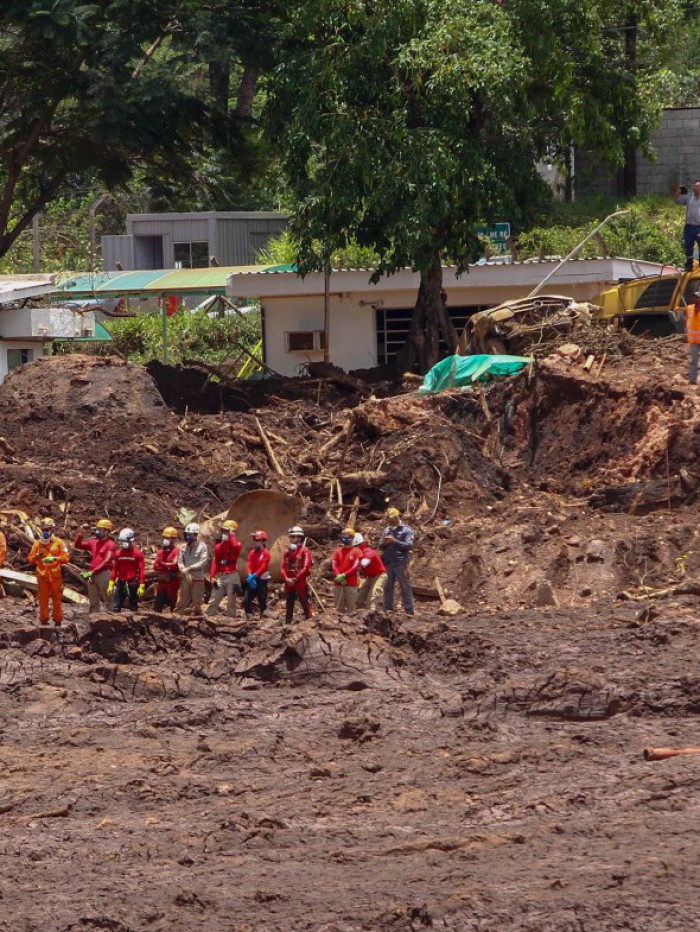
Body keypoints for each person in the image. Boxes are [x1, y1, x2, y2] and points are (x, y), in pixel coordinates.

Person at [28, 517, 70, 625]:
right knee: (43, 600)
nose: (45, 532)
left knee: (57, 599)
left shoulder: (59, 542)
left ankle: (58, 620)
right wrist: (37, 556)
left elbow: (66, 558)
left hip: (56, 576)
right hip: (42, 576)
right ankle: (44, 620)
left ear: (52, 529)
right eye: (43, 530)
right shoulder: (37, 544)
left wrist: (56, 558)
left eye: (48, 529)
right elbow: (30, 559)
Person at [74, 518, 116, 613]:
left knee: (108, 599)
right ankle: (94, 620)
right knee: (93, 600)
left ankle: (112, 619)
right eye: (97, 529)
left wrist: (92, 572)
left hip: (104, 574)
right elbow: (78, 546)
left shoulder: (111, 544)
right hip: (92, 574)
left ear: (107, 531)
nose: (98, 531)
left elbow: (107, 561)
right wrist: (80, 535)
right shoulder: (93, 542)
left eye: (101, 529)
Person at [379, 507, 415, 616]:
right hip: (388, 562)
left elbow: (409, 546)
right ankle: (388, 609)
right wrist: (385, 543)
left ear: (397, 517)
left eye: (391, 519)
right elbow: (380, 545)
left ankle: (409, 610)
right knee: (388, 587)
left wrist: (394, 541)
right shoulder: (387, 530)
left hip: (400, 562)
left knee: (405, 586)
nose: (390, 522)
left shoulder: (407, 530)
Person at [205, 519, 243, 618]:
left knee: (231, 599)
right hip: (220, 577)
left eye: (227, 531)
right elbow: (215, 562)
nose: (224, 533)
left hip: (232, 576)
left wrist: (231, 536)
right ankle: (208, 616)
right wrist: (212, 577)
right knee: (214, 598)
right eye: (223, 531)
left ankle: (231, 619)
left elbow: (235, 546)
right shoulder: (219, 547)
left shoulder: (237, 544)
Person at [108, 528, 145, 612]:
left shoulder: (138, 554)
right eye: (121, 541)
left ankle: (135, 624)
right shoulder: (118, 553)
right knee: (116, 606)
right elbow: (115, 569)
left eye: (125, 541)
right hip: (121, 582)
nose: (122, 543)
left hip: (133, 583)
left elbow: (142, 570)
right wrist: (111, 583)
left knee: (133, 606)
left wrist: (142, 585)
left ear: (131, 541)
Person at [281, 525, 313, 623]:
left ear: (299, 538)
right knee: (289, 604)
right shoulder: (287, 552)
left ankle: (310, 622)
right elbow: (282, 567)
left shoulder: (305, 551)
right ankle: (288, 624)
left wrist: (295, 578)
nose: (291, 539)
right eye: (291, 537)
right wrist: (286, 578)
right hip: (289, 583)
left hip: (300, 582)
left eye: (293, 536)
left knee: (304, 602)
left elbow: (305, 567)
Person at [177, 522, 209, 615]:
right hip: (185, 578)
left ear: (195, 535)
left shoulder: (202, 546)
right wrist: (183, 569)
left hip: (197, 578)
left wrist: (190, 568)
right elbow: (180, 560)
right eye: (187, 534)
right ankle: (176, 619)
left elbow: (203, 562)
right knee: (181, 602)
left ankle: (199, 622)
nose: (187, 536)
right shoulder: (183, 547)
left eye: (189, 534)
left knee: (197, 602)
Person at [331, 527, 362, 615]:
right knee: (338, 609)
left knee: (351, 609)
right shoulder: (337, 551)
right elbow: (334, 564)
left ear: (352, 538)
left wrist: (344, 575)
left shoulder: (357, 552)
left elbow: (355, 566)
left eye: (347, 536)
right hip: (338, 583)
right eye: (343, 536)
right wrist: (338, 576)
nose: (345, 538)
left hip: (351, 584)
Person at [354, 532, 387, 612]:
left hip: (380, 576)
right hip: (370, 577)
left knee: (373, 597)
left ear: (358, 545)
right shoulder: (358, 554)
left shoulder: (368, 552)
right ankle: (359, 618)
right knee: (359, 600)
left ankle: (372, 617)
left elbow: (364, 563)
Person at [153, 526, 181, 612]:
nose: (165, 540)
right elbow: (155, 566)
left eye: (167, 538)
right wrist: (166, 565)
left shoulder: (176, 551)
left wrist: (162, 564)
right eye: (164, 538)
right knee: (158, 603)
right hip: (162, 582)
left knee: (173, 603)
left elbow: (174, 564)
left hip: (173, 582)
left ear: (173, 539)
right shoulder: (161, 552)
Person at [244, 530, 271, 618]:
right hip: (252, 577)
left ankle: (263, 612)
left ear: (263, 541)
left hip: (262, 577)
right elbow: (249, 564)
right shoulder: (252, 552)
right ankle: (249, 613)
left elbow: (263, 566)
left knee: (261, 596)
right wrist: (249, 575)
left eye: (258, 540)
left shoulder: (266, 553)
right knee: (247, 598)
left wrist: (254, 576)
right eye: (255, 540)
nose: (256, 542)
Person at [674, 181, 700, 271]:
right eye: (694, 187)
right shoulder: (689, 198)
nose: (695, 188)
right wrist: (678, 191)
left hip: (699, 227)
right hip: (689, 226)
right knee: (688, 246)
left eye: (697, 187)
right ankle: (689, 265)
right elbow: (677, 200)